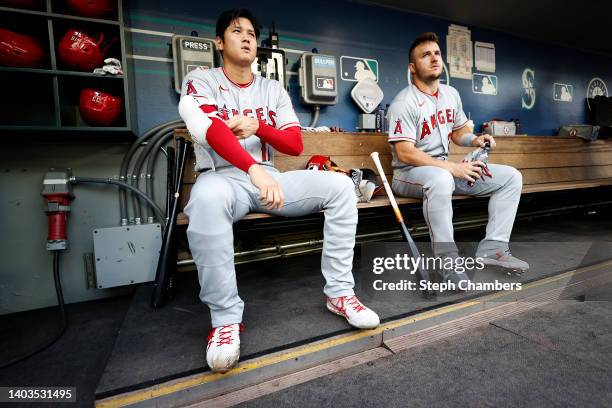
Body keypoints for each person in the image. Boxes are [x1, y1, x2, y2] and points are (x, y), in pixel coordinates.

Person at [178, 8, 379, 373]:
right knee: (205, 200)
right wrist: (253, 169)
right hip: (223, 179)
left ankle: (340, 294)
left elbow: (293, 144)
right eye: (236, 31)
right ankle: (225, 321)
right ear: (219, 42)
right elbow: (208, 129)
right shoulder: (201, 79)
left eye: (252, 33)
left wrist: (257, 126)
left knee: (339, 185)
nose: (247, 37)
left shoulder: (271, 89)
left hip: (271, 180)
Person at [387, 32, 529, 286]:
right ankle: (447, 263)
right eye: (425, 55)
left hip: (444, 170)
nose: (434, 59)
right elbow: (405, 152)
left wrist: (475, 140)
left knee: (511, 177)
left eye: (437, 53)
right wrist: (452, 168)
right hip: (409, 174)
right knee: (441, 179)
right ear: (412, 67)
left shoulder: (450, 94)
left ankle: (493, 249)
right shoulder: (404, 102)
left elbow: (458, 132)